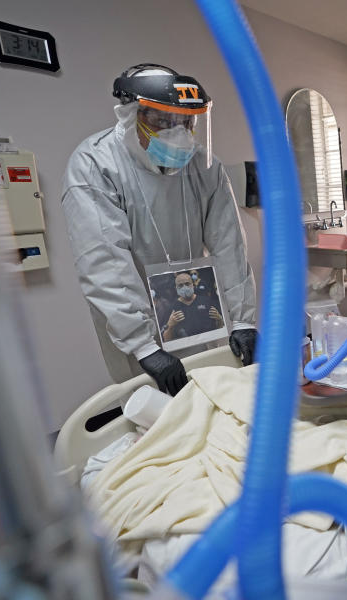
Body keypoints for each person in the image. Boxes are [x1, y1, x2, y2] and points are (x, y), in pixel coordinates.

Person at [61, 64, 258, 396]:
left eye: (186, 122)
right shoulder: (95, 164)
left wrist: (243, 320)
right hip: (133, 324)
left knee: (211, 396)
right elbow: (105, 260)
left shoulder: (204, 165)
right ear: (130, 114)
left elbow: (229, 245)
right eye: (162, 121)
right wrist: (143, 345)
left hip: (196, 306)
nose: (178, 134)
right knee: (153, 411)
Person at [162, 272, 223, 342]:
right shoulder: (172, 308)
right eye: (180, 285)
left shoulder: (206, 301)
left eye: (187, 284)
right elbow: (166, 339)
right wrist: (170, 326)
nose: (184, 287)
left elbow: (219, 328)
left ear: (193, 285)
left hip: (210, 342)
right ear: (176, 288)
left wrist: (220, 319)